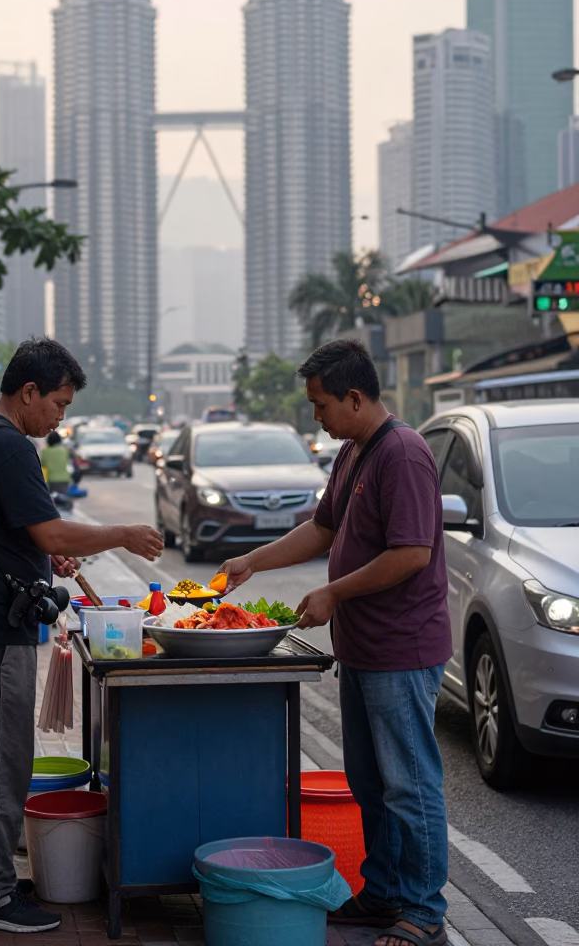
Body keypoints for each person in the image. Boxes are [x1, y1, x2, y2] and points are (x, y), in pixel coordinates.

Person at [221, 339, 451, 946]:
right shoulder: (353, 450)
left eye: (321, 405)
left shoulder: (402, 453)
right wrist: (253, 561)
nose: (315, 416)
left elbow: (410, 554)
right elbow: (321, 529)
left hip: (402, 648)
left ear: (355, 397)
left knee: (410, 784)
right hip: (363, 649)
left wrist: (334, 595)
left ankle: (423, 911)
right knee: (370, 783)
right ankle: (382, 895)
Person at [0, 336, 164, 935]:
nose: (60, 417)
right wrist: (121, 534)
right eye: (58, 404)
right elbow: (53, 533)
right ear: (28, 392)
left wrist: (39, 557)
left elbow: (14, 533)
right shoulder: (8, 446)